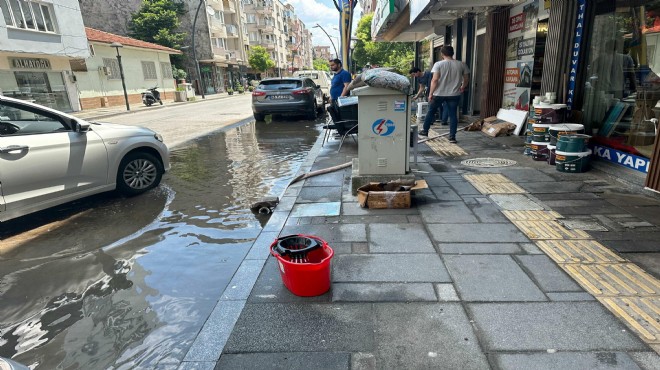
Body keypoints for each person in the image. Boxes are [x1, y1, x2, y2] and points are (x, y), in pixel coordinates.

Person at [419, 46, 470, 143]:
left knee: (431, 112)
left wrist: (430, 93)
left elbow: (434, 80)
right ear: (452, 53)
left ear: (442, 54)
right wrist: (462, 87)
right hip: (454, 94)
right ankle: (452, 137)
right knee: (453, 115)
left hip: (439, 93)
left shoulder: (438, 64)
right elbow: (466, 79)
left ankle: (425, 131)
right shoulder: (461, 64)